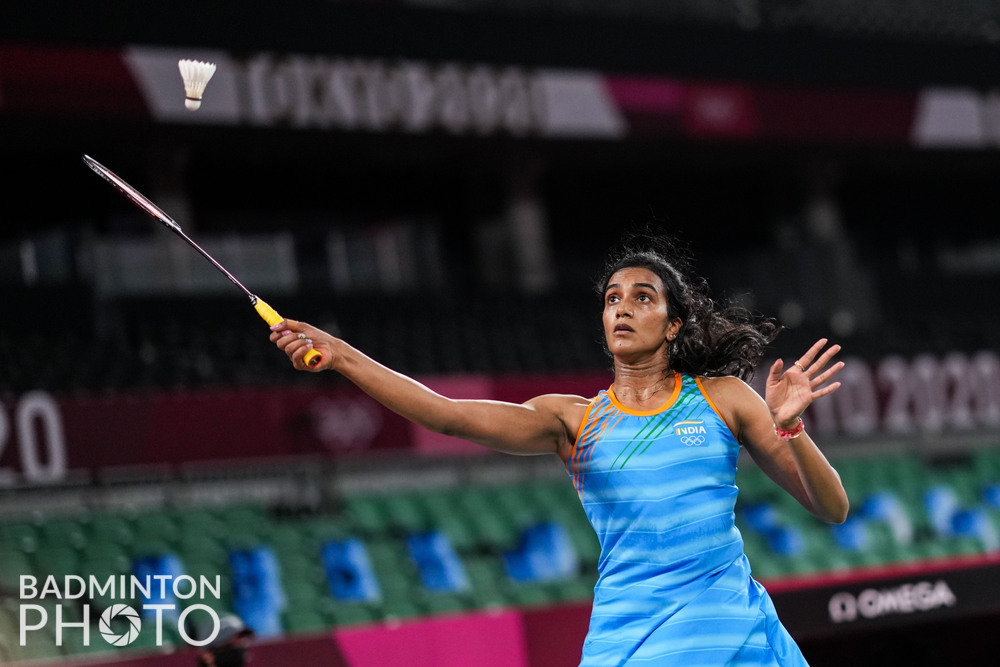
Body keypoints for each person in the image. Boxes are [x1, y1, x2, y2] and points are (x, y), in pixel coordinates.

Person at [268, 232, 849, 666]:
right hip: (630, 641)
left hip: (733, 634)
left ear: (673, 324)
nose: (622, 307)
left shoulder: (724, 399)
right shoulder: (574, 420)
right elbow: (446, 414)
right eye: (612, 299)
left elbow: (833, 508)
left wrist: (792, 429)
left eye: (642, 297)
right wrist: (342, 355)